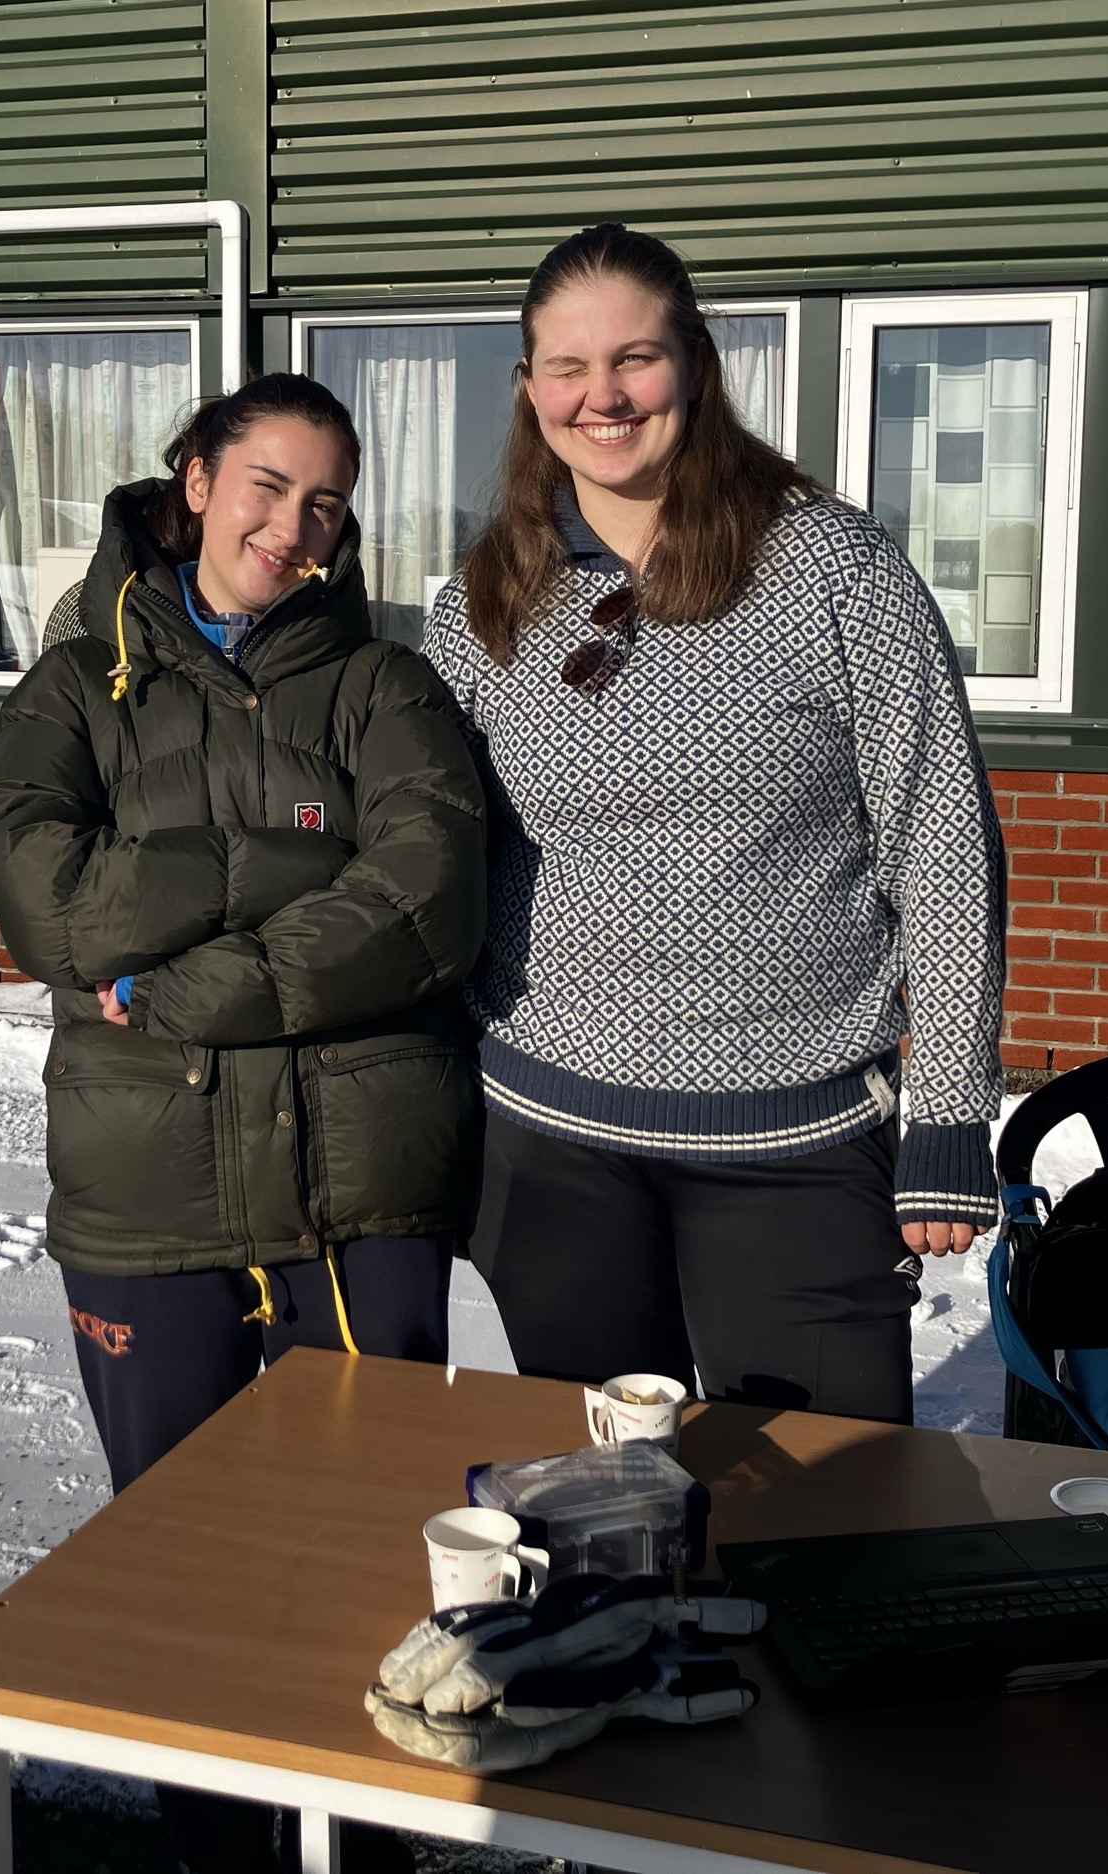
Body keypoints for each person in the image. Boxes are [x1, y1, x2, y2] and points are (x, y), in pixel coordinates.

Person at [0, 373, 484, 1874]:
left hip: (361, 1190)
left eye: (326, 501)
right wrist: (283, 854)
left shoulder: (389, 688)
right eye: (265, 483)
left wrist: (201, 979)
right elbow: (48, 899)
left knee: (365, 1566)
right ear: (192, 478)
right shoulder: (74, 686)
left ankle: (367, 1845)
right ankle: (215, 1849)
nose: (293, 525)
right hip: (150, 1201)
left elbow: (428, 894)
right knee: (181, 1569)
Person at [422, 224, 1006, 1425]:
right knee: (604, 1501)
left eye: (634, 358)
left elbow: (939, 837)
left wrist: (948, 1108)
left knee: (821, 1502)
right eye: (566, 368)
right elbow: (427, 858)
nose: (603, 396)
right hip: (546, 1134)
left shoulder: (832, 567)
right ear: (528, 389)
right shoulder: (488, 593)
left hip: (792, 1135)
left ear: (693, 364)